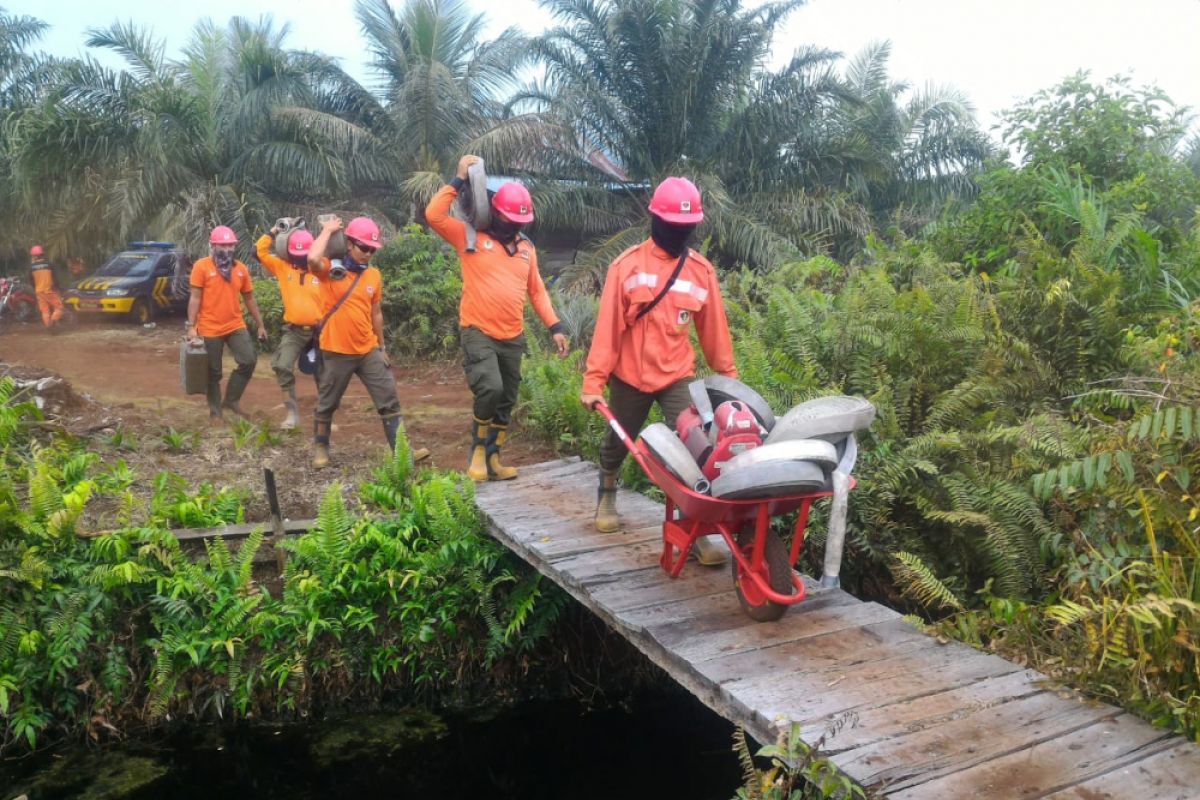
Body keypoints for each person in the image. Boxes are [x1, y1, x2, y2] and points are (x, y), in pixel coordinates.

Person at [579, 177, 738, 565]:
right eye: (673, 226)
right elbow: (608, 331)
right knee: (620, 438)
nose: (679, 233)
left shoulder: (700, 272)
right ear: (655, 220)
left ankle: (693, 528)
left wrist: (728, 382)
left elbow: (714, 332)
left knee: (695, 447)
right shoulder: (627, 267)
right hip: (630, 376)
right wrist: (594, 381)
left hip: (675, 375)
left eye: (687, 228)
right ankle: (607, 496)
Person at [426, 154, 569, 482]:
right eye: (508, 219)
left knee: (507, 398)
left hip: (513, 336)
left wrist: (555, 326)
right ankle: (476, 452)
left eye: (520, 221)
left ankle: (494, 458)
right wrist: (458, 178)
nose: (513, 226)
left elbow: (537, 293)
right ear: (495, 213)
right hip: (478, 330)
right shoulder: (470, 237)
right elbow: (433, 215)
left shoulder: (526, 250)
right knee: (489, 388)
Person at [307, 215, 426, 468]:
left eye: (373, 250)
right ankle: (321, 448)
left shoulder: (373, 276)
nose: (368, 254)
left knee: (389, 397)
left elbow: (376, 313)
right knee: (327, 402)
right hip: (336, 350)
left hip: (367, 349)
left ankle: (401, 453)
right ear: (349, 244)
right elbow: (312, 259)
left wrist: (382, 347)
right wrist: (328, 231)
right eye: (364, 248)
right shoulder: (331, 269)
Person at [186, 226, 267, 422]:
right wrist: (191, 327)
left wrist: (261, 325)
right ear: (213, 246)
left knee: (248, 361)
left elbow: (249, 299)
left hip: (235, 325)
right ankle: (215, 411)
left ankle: (231, 400)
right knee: (213, 372)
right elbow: (195, 298)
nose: (228, 248)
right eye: (223, 244)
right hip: (209, 327)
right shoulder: (202, 267)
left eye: (231, 244)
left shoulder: (241, 269)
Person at [256, 224, 321, 429]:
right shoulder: (283, 267)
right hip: (294, 331)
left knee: (325, 372)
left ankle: (324, 414)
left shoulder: (323, 268)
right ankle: (292, 414)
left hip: (321, 332)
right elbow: (258, 251)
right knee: (282, 366)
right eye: (297, 255)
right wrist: (274, 230)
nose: (301, 259)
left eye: (305, 255)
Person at [28, 245, 64, 330]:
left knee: (45, 311)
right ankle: (53, 320)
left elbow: (31, 281)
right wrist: (59, 288)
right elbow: (55, 278)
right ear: (42, 254)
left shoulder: (31, 268)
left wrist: (36, 288)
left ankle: (48, 326)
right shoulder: (49, 264)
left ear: (35, 256)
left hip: (39, 292)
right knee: (59, 308)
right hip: (49, 290)